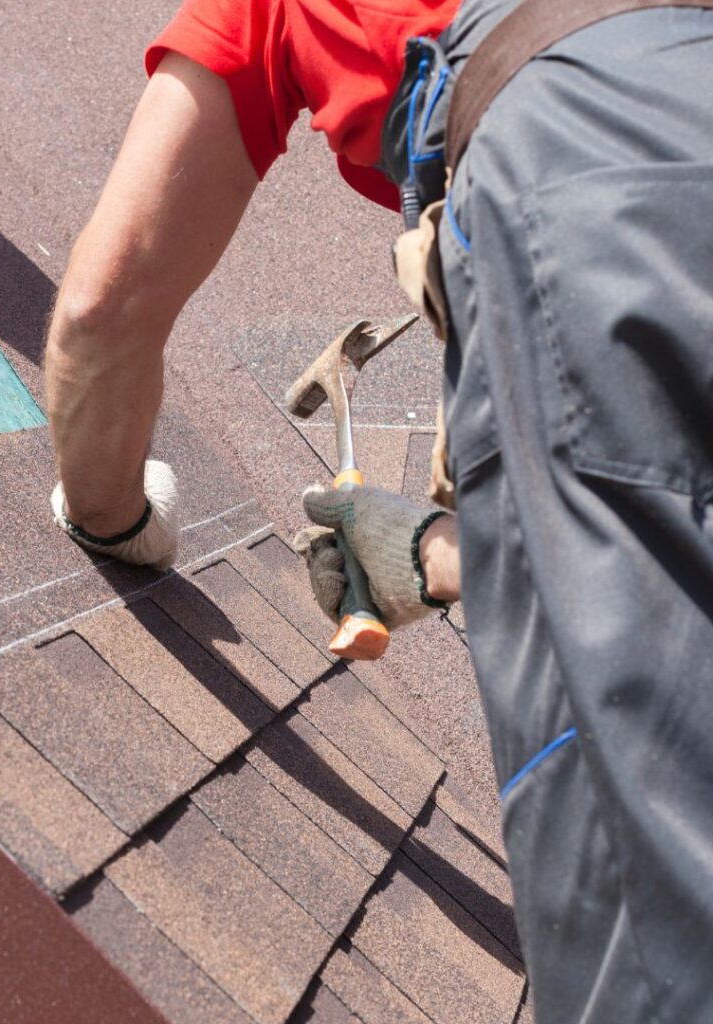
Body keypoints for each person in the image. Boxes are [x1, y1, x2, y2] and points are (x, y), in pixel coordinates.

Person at [45, 1, 713, 1021]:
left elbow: (104, 305)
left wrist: (112, 516)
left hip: (579, 163)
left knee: (643, 896)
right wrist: (439, 551)